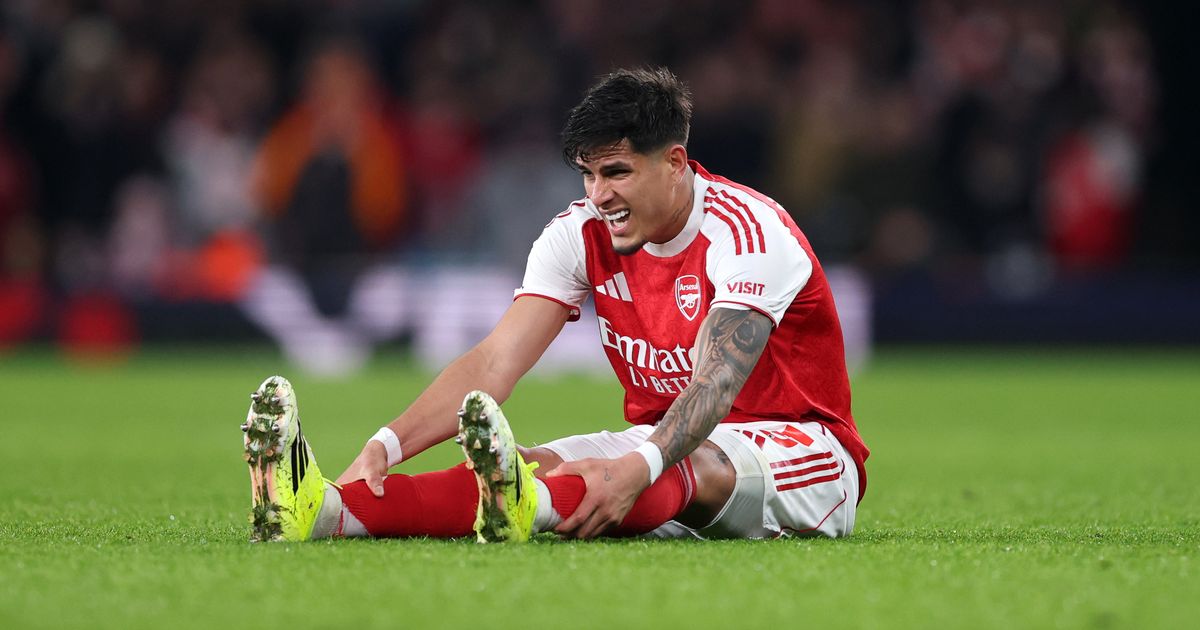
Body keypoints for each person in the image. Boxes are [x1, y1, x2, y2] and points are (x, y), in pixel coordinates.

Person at [240, 67, 869, 543]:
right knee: (533, 465)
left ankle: (534, 508)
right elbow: (494, 361)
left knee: (673, 466)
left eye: (616, 173)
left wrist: (640, 465)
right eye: (588, 175)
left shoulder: (748, 233)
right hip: (663, 443)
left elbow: (716, 384)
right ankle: (325, 511)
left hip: (802, 452)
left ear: (675, 163)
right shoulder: (579, 234)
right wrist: (387, 444)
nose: (599, 195)